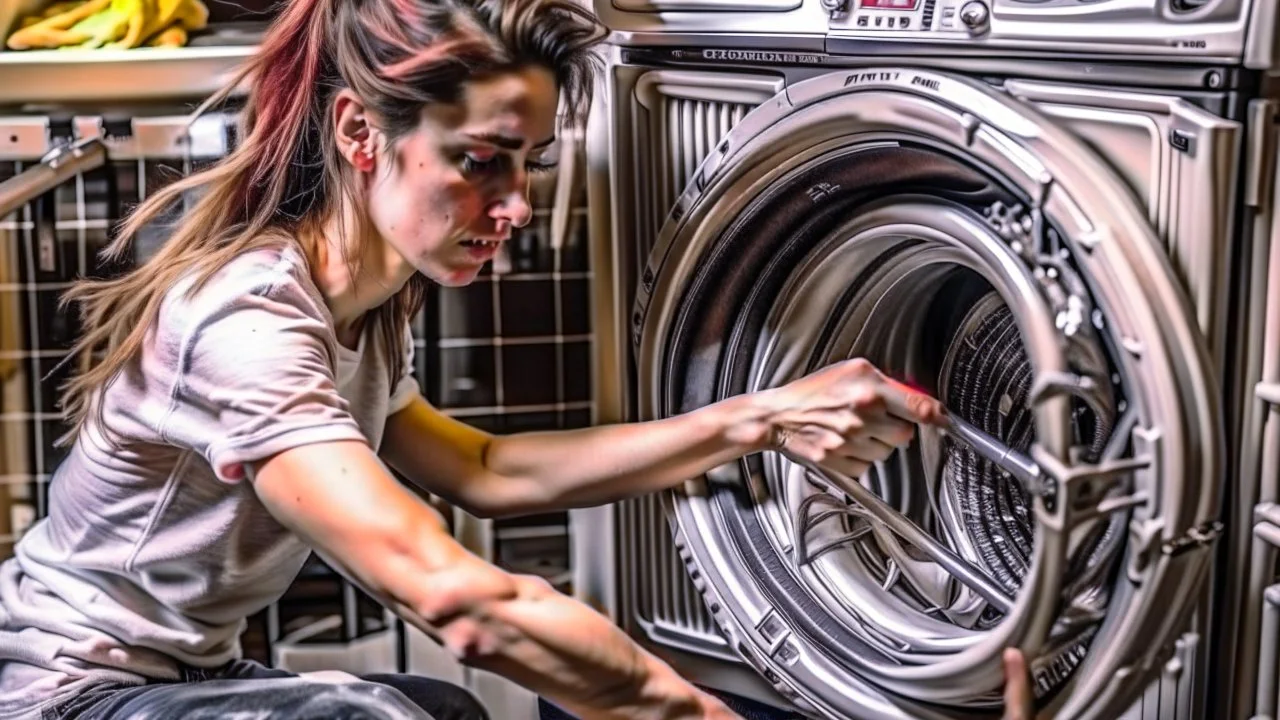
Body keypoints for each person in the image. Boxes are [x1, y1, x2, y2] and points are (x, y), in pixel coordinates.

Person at [0, 0, 1041, 718]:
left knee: (435, 710)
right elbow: (452, 596)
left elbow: (485, 474)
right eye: (480, 161)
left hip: (185, 677)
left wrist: (758, 417)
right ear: (362, 133)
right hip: (68, 695)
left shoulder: (361, 301)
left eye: (530, 165)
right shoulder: (248, 323)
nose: (513, 208)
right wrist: (683, 709)